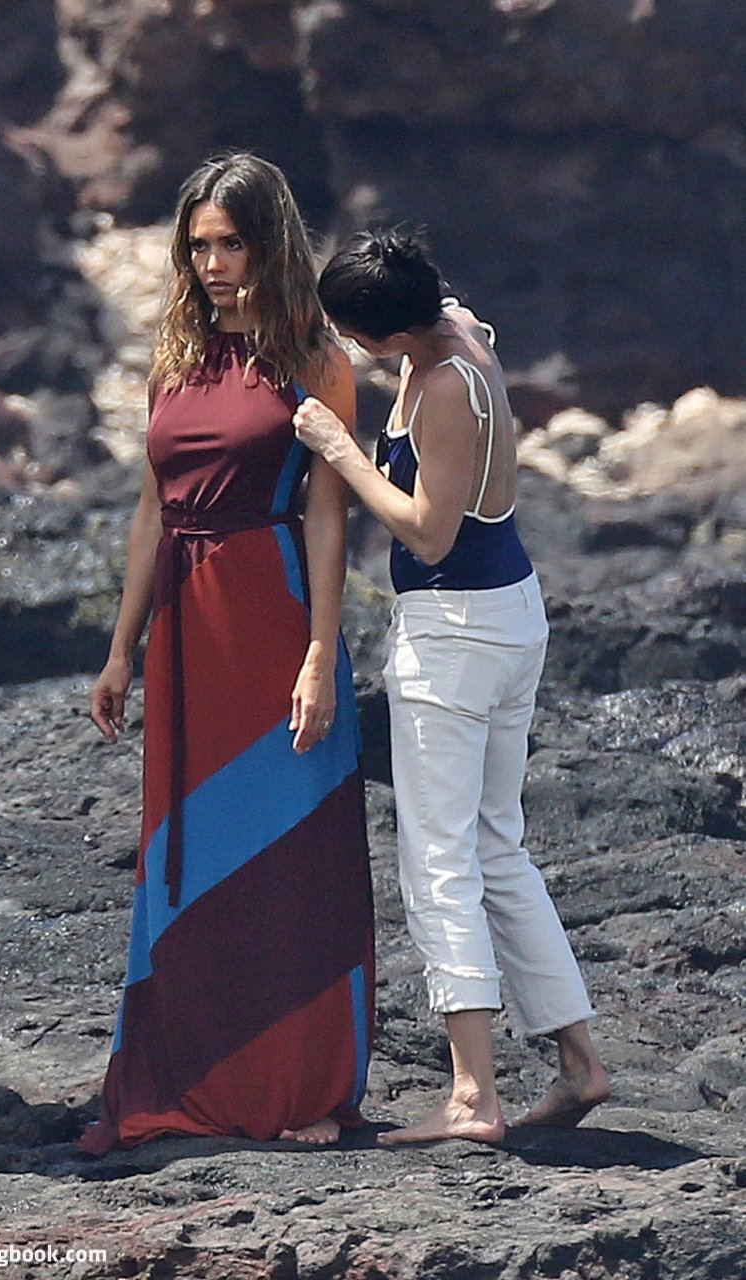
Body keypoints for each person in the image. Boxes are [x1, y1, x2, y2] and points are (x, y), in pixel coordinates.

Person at [79, 154, 374, 1153]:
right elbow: (150, 512)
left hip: (270, 615)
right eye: (198, 245)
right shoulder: (176, 357)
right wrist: (121, 650)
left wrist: (320, 654)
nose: (211, 263)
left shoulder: (315, 359)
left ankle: (302, 1086)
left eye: (231, 243)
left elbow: (328, 517)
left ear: (269, 243)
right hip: (185, 634)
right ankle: (195, 1072)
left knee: (291, 858)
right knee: (193, 856)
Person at [292, 230, 609, 1145]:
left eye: (357, 337)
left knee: (438, 860)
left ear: (393, 336)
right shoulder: (460, 331)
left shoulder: (440, 387)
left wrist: (340, 448)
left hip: (455, 631)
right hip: (509, 615)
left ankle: (472, 1096)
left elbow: (429, 532)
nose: (350, 350)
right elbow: (450, 329)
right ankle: (579, 1064)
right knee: (496, 847)